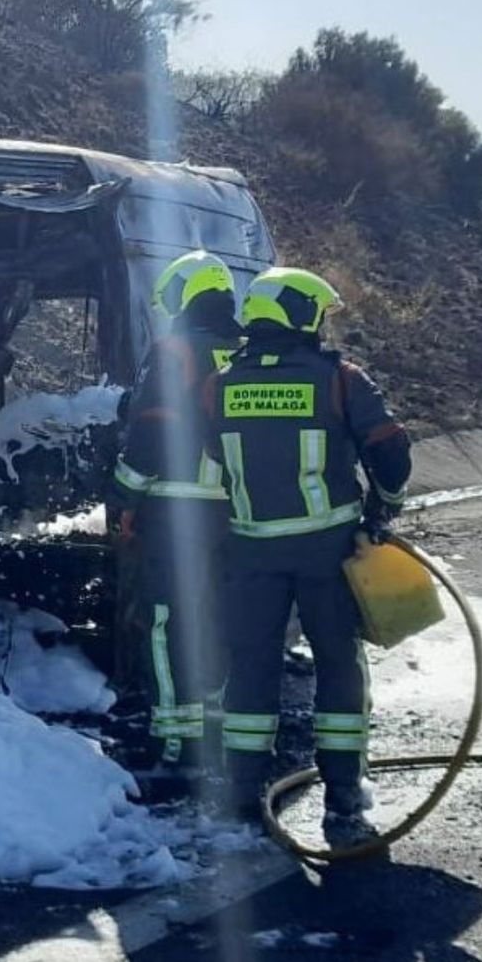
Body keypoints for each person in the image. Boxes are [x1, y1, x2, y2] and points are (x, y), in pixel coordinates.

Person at [203, 266, 411, 847]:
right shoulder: (340, 379)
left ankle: (242, 796)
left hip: (251, 553)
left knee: (250, 668)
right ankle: (344, 801)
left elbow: (212, 455)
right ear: (301, 315)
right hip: (328, 553)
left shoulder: (220, 385)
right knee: (337, 666)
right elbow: (391, 451)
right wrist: (382, 511)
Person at [111, 250, 243, 797]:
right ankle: (218, 740)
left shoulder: (174, 352)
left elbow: (148, 434)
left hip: (175, 512)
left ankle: (177, 749)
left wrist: (122, 499)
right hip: (238, 516)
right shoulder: (251, 351)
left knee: (166, 626)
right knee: (219, 624)